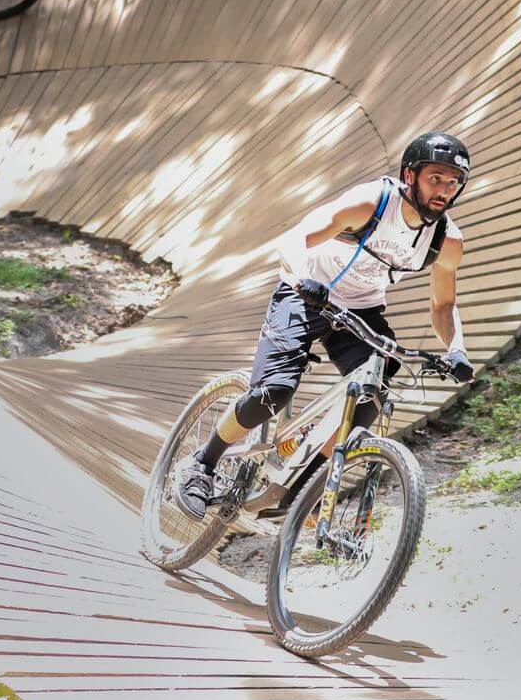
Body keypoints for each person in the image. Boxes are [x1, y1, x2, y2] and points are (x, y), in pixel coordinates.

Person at [174, 132, 477, 521]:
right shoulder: (372, 203)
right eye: (436, 178)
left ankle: (299, 492)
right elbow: (294, 239)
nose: (444, 189)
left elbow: (444, 304)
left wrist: (457, 350)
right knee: (274, 391)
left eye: (453, 182)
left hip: (360, 312)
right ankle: (202, 463)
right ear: (409, 175)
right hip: (305, 292)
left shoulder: (447, 240)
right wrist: (302, 279)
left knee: (372, 395)